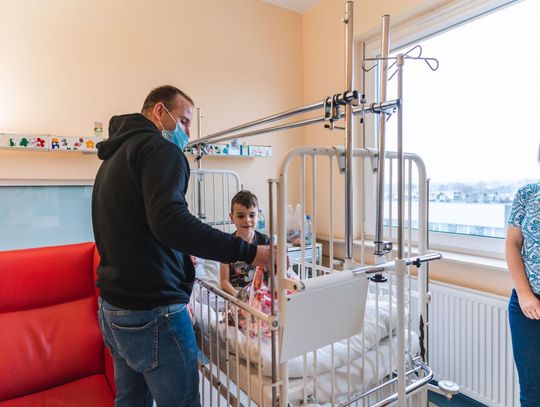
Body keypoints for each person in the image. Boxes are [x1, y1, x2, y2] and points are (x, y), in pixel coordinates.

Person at [92, 85, 272, 407]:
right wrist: (251, 252)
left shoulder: (113, 158)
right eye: (185, 121)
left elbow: (143, 226)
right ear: (159, 112)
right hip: (154, 311)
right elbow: (171, 222)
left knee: (131, 401)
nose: (188, 132)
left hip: (112, 308)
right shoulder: (161, 151)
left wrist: (177, 252)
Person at [506, 180, 540, 407]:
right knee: (532, 391)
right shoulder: (528, 193)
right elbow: (512, 244)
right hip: (528, 306)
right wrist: (525, 295)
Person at [219, 190, 270, 297]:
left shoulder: (264, 241)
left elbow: (271, 275)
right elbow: (224, 281)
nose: (247, 220)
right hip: (236, 293)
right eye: (241, 216)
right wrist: (238, 295)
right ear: (232, 218)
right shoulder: (227, 244)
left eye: (252, 215)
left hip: (260, 292)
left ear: (258, 216)